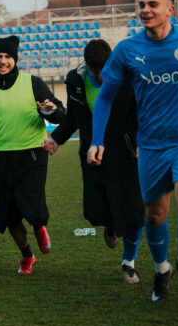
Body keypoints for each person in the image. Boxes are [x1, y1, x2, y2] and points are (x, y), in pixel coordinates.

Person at [88, 0, 178, 304]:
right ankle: (162, 270)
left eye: (152, 5)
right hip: (152, 147)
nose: (145, 10)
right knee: (155, 216)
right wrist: (97, 140)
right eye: (142, 5)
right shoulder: (127, 50)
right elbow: (105, 98)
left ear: (170, 9)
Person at [0, 36, 64, 275]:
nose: (3, 61)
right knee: (7, 215)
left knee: (32, 202)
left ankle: (39, 226)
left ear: (15, 60)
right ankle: (27, 255)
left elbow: (59, 112)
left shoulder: (33, 83)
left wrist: (50, 111)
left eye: (8, 57)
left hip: (32, 154)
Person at [44, 39, 145, 283]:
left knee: (132, 213)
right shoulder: (75, 80)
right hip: (92, 155)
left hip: (125, 153)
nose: (102, 77)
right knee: (94, 211)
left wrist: (141, 140)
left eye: (105, 70)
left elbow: (140, 111)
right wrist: (56, 138)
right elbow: (73, 117)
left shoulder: (128, 77)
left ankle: (128, 262)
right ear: (87, 66)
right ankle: (111, 226)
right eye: (96, 72)